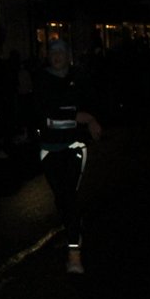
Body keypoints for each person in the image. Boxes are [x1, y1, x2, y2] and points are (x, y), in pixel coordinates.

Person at [32, 37, 102, 274]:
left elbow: (92, 103)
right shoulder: (42, 79)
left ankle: (74, 254)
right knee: (61, 199)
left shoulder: (79, 78)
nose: (57, 56)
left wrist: (91, 118)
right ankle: (74, 227)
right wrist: (81, 117)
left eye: (61, 52)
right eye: (53, 52)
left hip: (74, 146)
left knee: (69, 197)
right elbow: (47, 111)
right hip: (49, 149)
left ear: (69, 56)